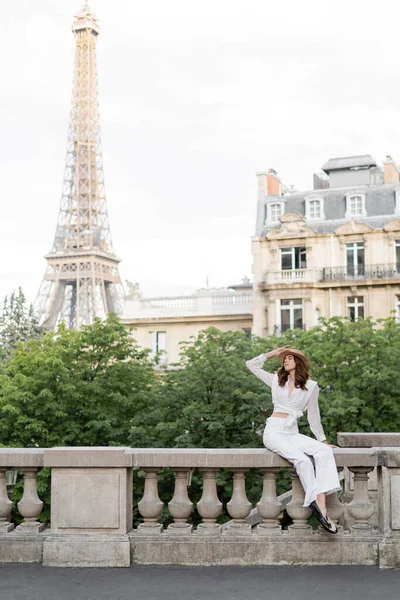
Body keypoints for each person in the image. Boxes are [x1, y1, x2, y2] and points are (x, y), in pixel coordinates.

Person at [246, 346, 341, 534]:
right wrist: (274, 352)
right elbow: (251, 365)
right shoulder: (276, 380)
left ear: (298, 362)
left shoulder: (311, 387)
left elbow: (314, 417)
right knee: (303, 460)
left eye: (289, 358)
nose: (285, 361)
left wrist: (322, 440)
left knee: (324, 451)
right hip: (274, 431)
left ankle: (321, 505)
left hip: (292, 432)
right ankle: (316, 503)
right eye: (284, 359)